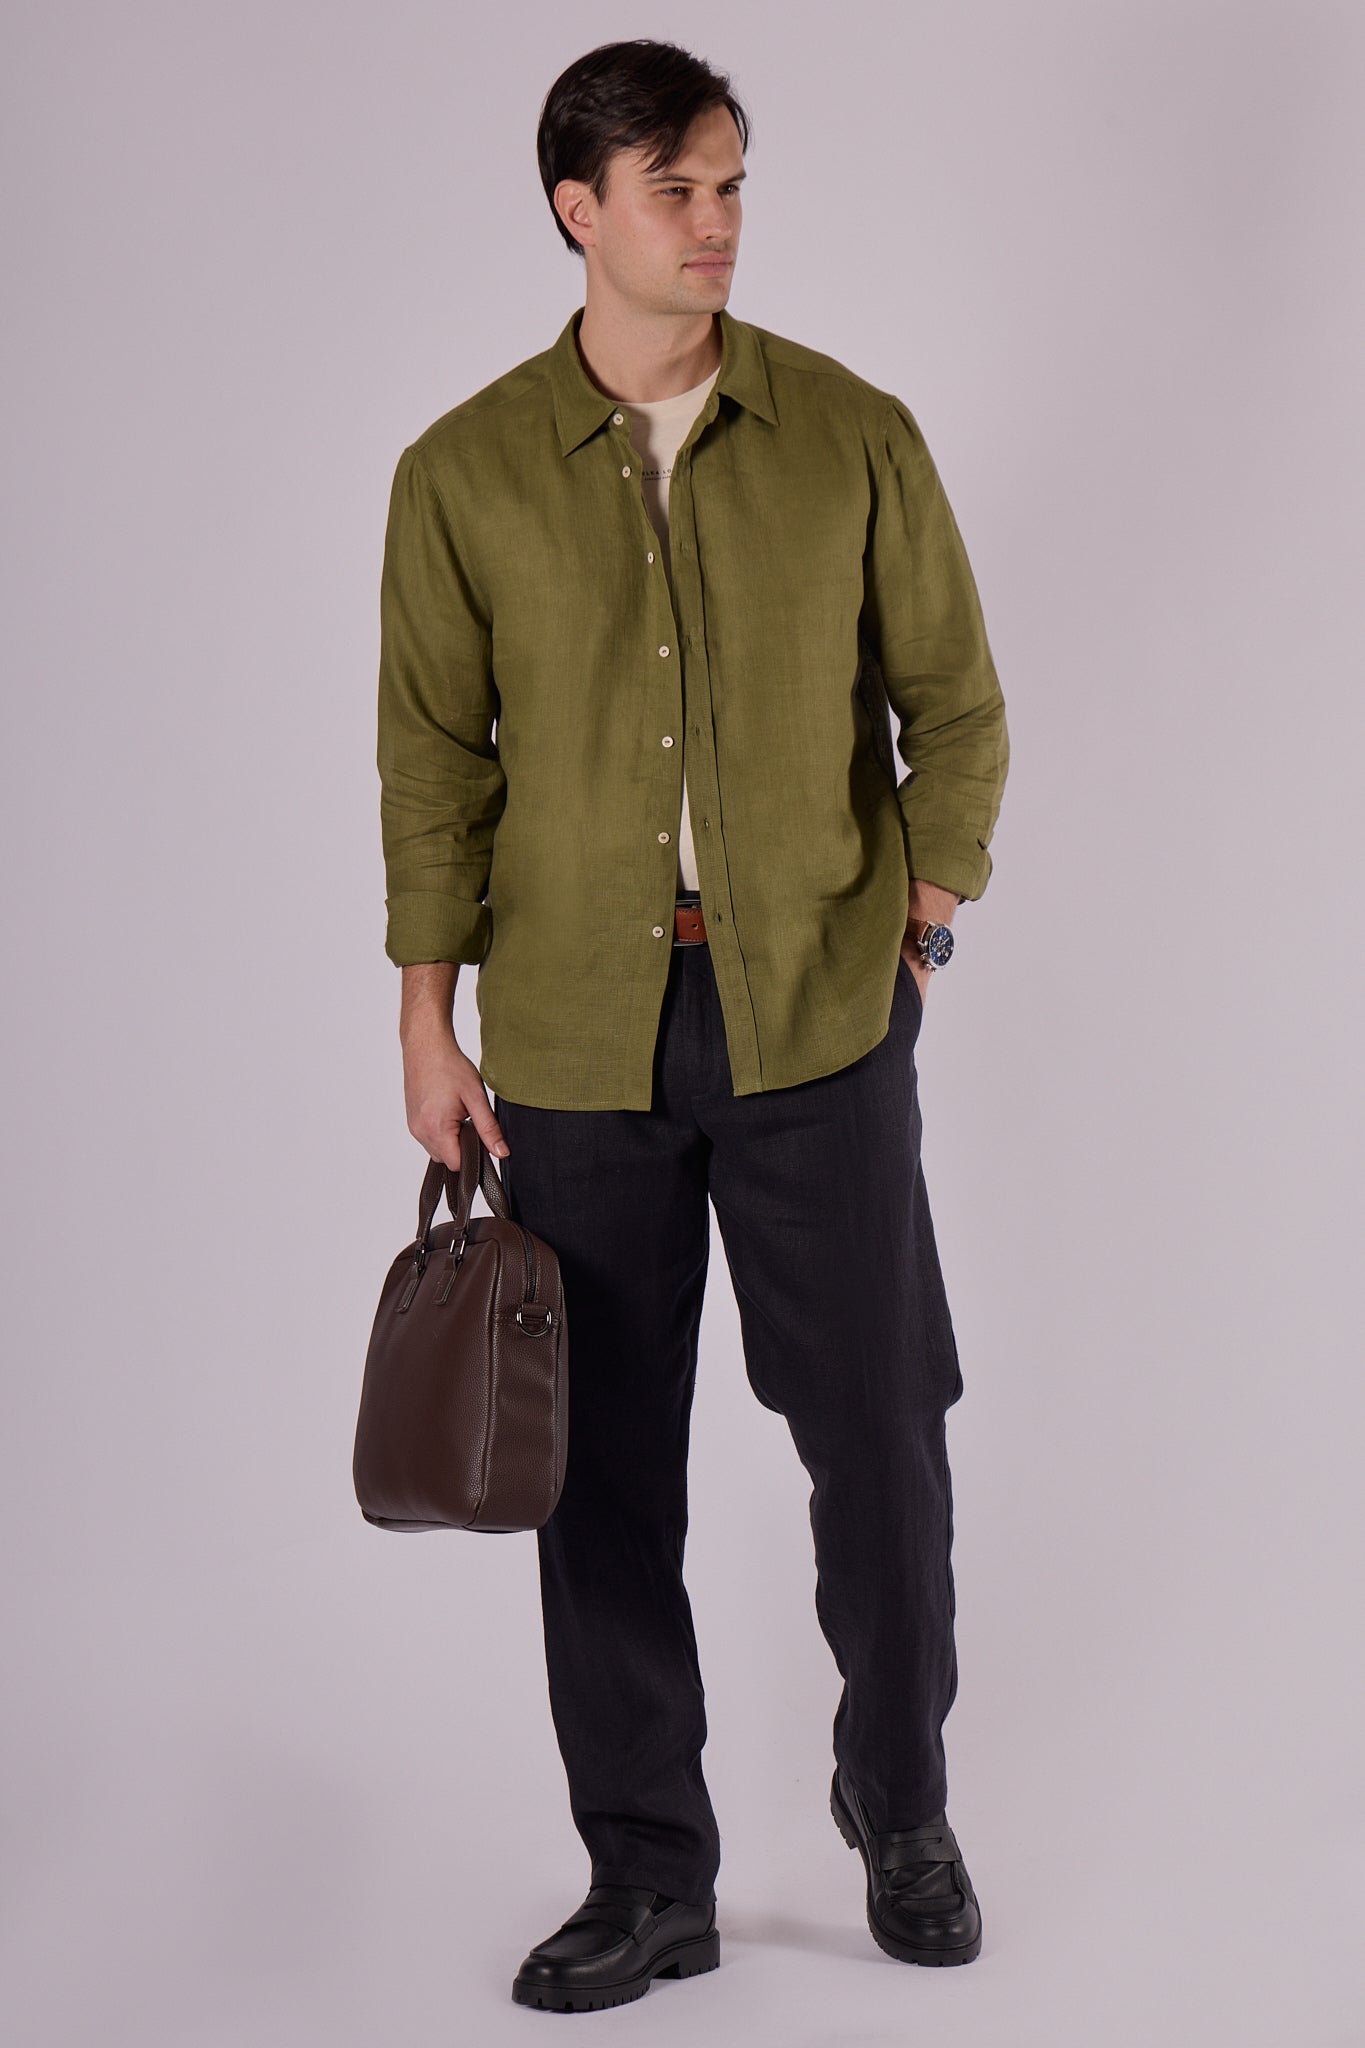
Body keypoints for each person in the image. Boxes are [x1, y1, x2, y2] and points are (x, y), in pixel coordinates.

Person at [376, 37, 1009, 2015]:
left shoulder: (848, 435)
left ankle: (899, 1801)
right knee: (599, 1471)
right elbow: (431, 769)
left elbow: (954, 711)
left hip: (818, 1020)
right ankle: (648, 1872)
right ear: (579, 209)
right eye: (677, 189)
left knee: (879, 1441)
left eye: (730, 184)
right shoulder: (461, 473)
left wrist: (916, 931)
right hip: (571, 1039)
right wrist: (427, 1021)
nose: (716, 221)